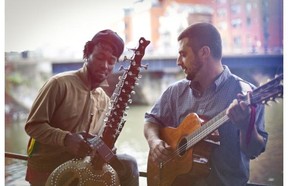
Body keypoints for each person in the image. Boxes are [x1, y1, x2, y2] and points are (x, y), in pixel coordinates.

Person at [144, 23, 268, 185]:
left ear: (204, 52)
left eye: (183, 54)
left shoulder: (246, 94)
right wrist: (154, 142)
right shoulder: (175, 92)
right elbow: (151, 121)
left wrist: (246, 126)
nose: (178, 62)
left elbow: (254, 151)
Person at [25, 29, 139, 186]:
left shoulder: (104, 99)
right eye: (99, 58)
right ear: (87, 54)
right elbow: (33, 126)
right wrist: (66, 139)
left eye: (111, 61)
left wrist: (108, 151)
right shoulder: (59, 84)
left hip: (79, 169)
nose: (105, 65)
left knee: (129, 165)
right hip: (48, 168)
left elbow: (96, 139)